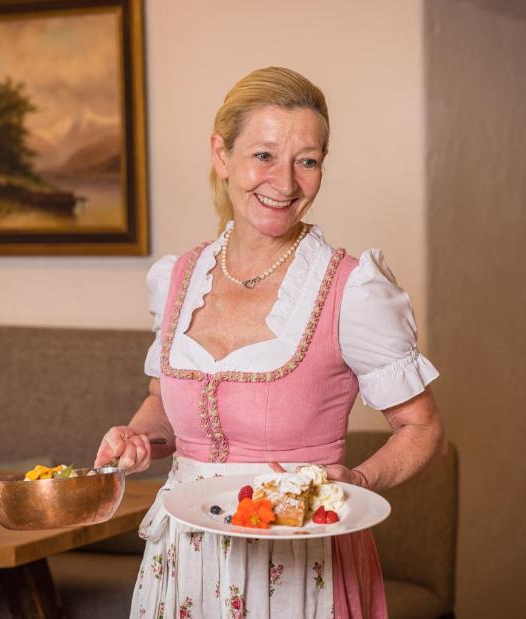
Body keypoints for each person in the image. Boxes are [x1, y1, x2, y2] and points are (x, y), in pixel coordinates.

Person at [95, 67, 446, 619]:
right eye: (263, 155)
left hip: (298, 565)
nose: (284, 183)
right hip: (184, 563)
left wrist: (358, 479)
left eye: (307, 161)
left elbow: (423, 429)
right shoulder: (177, 278)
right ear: (221, 154)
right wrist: (139, 438)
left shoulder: (352, 290)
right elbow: (162, 401)